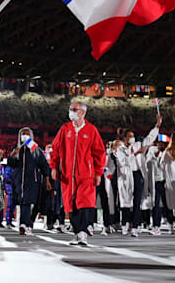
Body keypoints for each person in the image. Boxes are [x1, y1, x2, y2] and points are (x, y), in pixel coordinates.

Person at [50, 101, 106, 246]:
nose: (71, 111)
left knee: (84, 202)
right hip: (68, 174)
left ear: (82, 112)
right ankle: (78, 232)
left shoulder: (91, 130)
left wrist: (98, 173)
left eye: (74, 109)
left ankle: (82, 232)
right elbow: (55, 148)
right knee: (71, 204)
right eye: (70, 109)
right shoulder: (65, 128)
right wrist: (54, 167)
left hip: (85, 174)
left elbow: (99, 153)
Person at [120, 116, 161, 237]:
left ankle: (136, 226)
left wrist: (157, 126)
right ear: (125, 138)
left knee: (137, 201)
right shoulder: (121, 149)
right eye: (129, 136)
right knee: (127, 202)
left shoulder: (138, 145)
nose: (132, 138)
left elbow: (149, 138)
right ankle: (125, 224)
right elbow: (124, 162)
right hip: (126, 177)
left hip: (138, 175)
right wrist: (136, 154)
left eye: (133, 136)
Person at [9, 128, 49, 236]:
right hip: (19, 180)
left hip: (32, 180)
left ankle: (27, 224)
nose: (25, 136)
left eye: (27, 134)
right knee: (23, 201)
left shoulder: (35, 148)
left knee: (30, 202)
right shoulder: (17, 148)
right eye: (23, 134)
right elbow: (11, 164)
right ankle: (25, 225)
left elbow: (44, 164)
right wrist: (13, 155)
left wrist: (47, 179)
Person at [114, 139, 135, 236]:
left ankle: (128, 224)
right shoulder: (114, 156)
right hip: (119, 181)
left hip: (129, 180)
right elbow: (122, 164)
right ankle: (122, 224)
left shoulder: (130, 152)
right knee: (122, 204)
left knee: (129, 204)